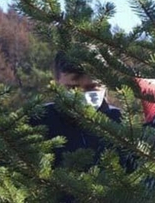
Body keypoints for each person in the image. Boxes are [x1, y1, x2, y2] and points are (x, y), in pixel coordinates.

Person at [29, 52, 133, 202]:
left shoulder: (123, 123)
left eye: (92, 88)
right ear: (56, 82)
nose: (82, 95)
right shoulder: (38, 120)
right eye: (72, 88)